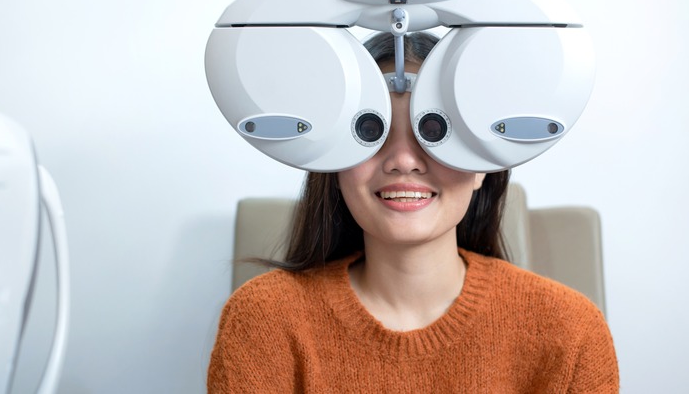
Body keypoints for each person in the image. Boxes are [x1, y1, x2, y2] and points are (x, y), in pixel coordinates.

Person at [207, 32, 619, 392]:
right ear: (333, 164)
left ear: (482, 167)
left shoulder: (570, 330)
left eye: (435, 134)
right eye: (371, 133)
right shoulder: (263, 321)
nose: (404, 160)